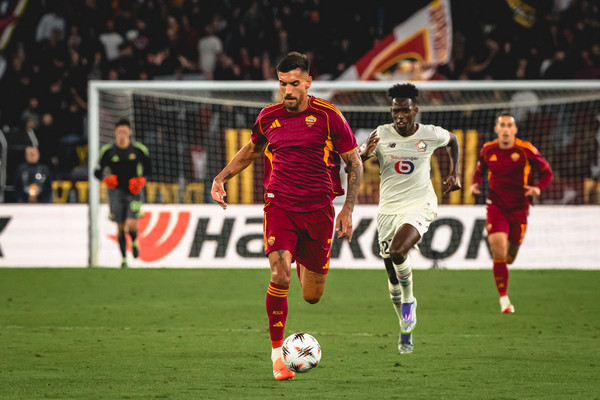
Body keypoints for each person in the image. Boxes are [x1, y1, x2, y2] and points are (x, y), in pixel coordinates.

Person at [211, 51, 363, 380]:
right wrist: (221, 177)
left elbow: (354, 163)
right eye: (282, 84)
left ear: (308, 82)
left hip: (319, 210)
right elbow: (252, 149)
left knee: (311, 296)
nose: (288, 91)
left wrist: (348, 209)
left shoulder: (329, 116)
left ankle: (300, 259)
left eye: (294, 84)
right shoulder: (268, 117)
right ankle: (278, 357)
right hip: (279, 205)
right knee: (280, 275)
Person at [359, 83, 461, 354]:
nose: (400, 116)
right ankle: (405, 327)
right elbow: (353, 161)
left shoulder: (430, 134)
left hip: (419, 204)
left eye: (404, 111)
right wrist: (364, 155)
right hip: (388, 210)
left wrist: (455, 172)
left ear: (415, 110)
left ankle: (409, 300)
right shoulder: (380, 134)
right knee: (392, 277)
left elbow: (453, 141)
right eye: (395, 111)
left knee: (397, 251)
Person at [470, 112, 553, 314]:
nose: (506, 129)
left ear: (515, 130)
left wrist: (538, 188)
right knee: (498, 251)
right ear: (496, 129)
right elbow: (480, 170)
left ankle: (503, 264)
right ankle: (504, 300)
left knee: (509, 257)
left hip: (519, 208)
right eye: (502, 125)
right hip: (496, 205)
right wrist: (475, 184)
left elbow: (547, 172)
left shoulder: (525, 149)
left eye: (509, 125)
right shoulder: (488, 149)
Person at [94, 119, 151, 268]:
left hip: (133, 191)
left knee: (131, 224)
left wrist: (141, 180)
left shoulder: (138, 150)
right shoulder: (107, 151)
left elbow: (149, 170)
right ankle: (124, 259)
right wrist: (106, 179)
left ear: (129, 132)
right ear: (115, 133)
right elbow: (97, 172)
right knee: (120, 226)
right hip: (115, 192)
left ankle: (134, 240)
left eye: (125, 132)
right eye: (119, 132)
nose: (122, 135)